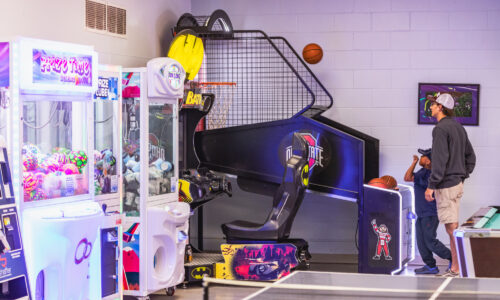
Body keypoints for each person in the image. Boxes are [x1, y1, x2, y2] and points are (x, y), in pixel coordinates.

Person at [424, 93, 476, 277]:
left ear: (441, 107)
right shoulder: (458, 127)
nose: (430, 107)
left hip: (446, 185)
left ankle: (457, 267)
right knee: (452, 226)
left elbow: (439, 160)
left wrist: (431, 185)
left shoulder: (440, 129)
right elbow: (471, 156)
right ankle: (458, 266)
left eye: (433, 105)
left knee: (451, 228)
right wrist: (462, 175)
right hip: (455, 183)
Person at [404, 148, 451, 274]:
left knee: (430, 241)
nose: (421, 158)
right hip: (421, 213)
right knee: (421, 241)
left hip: (430, 213)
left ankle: (453, 258)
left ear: (429, 160)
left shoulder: (433, 175)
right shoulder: (423, 170)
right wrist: (414, 163)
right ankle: (431, 266)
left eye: (423, 156)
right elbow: (408, 177)